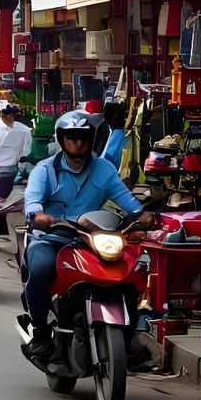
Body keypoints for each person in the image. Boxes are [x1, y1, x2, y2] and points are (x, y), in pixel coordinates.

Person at [21, 109, 147, 365]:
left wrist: (143, 216)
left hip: (94, 240)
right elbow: (32, 202)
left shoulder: (104, 169)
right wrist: (38, 216)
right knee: (42, 266)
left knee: (129, 272)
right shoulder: (45, 170)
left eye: (82, 137)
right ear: (61, 139)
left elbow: (128, 202)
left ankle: (129, 337)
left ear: (91, 139)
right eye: (71, 137)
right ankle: (42, 336)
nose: (77, 142)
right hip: (53, 238)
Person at [0, 101, 34, 210]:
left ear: (0, 114)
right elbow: (27, 151)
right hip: (11, 169)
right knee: (3, 198)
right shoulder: (24, 130)